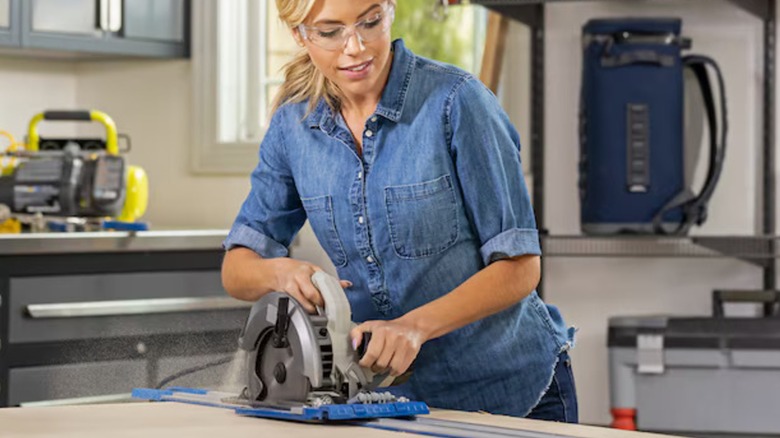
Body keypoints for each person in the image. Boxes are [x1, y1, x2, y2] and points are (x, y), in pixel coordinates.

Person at [221, 0, 578, 422]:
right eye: (330, 32)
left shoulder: (457, 102)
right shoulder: (293, 127)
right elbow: (237, 269)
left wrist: (414, 327)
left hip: (511, 389)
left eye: (370, 22)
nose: (356, 47)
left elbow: (520, 268)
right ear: (300, 34)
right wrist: (280, 273)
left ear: (390, 10)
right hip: (392, 404)